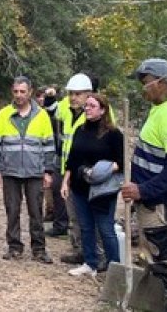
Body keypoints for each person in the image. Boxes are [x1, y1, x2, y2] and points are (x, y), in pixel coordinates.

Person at [121, 58, 167, 312]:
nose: (143, 88)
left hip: (160, 206)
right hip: (150, 203)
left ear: (162, 82)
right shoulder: (160, 109)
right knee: (157, 260)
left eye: (146, 82)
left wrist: (142, 190)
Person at [0, 76, 56, 263]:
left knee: (36, 212)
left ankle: (39, 250)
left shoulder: (41, 115)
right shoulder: (3, 114)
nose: (19, 95)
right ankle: (14, 247)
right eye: (16, 91)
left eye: (22, 91)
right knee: (12, 211)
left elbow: (49, 146)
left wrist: (48, 171)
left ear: (30, 92)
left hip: (35, 172)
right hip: (10, 171)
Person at [62, 93, 124, 276]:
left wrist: (100, 171)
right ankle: (90, 263)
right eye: (86, 106)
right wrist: (65, 182)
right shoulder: (80, 131)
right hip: (80, 186)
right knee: (86, 226)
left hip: (103, 190)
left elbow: (121, 162)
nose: (87, 109)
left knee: (106, 228)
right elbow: (72, 159)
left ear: (103, 110)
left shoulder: (113, 134)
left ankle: (114, 267)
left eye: (92, 106)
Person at [55, 72, 95, 263]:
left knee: (91, 216)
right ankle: (79, 250)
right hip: (69, 170)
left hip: (89, 174)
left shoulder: (97, 113)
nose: (73, 97)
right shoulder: (66, 108)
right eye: (71, 93)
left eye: (78, 94)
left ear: (88, 94)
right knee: (74, 216)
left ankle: (94, 254)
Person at [38, 85, 69, 238]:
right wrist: (50, 98)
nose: (74, 96)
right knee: (57, 190)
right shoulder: (65, 104)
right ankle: (60, 224)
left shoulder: (95, 106)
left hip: (77, 156)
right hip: (61, 155)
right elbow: (52, 110)